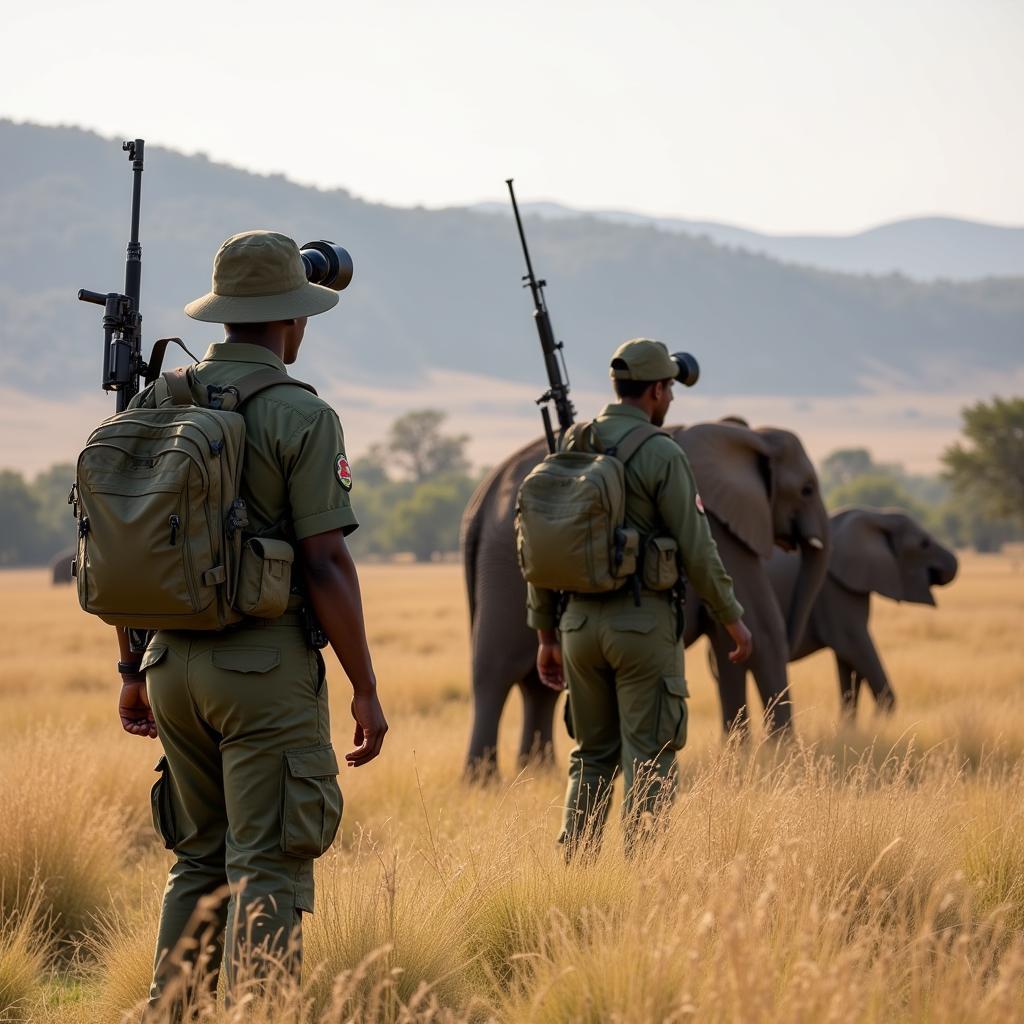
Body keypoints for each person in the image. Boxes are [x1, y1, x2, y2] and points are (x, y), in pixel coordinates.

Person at [113, 230, 388, 1010]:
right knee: (266, 866)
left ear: (226, 315)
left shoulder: (156, 402)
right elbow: (327, 562)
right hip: (262, 672)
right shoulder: (302, 414)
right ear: (292, 323)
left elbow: (119, 544)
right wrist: (363, 686)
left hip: (169, 669)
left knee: (198, 864)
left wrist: (132, 670)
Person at [527, 338, 752, 856]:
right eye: (669, 387)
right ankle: (643, 880)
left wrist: (546, 634)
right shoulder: (662, 453)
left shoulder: (572, 441)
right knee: (649, 759)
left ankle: (572, 870)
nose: (670, 397)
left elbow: (541, 544)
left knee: (590, 756)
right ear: (655, 390)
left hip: (577, 628)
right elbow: (698, 548)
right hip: (642, 628)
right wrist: (732, 620)